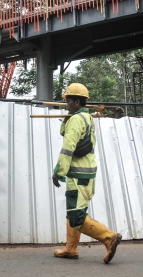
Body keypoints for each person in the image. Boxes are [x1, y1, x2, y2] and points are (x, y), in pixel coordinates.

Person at [51, 83, 122, 264]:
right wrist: (68, 116)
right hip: (86, 172)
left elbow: (68, 148)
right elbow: (63, 131)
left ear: (76, 101)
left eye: (68, 101)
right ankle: (71, 248)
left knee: (77, 216)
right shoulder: (86, 117)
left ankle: (108, 237)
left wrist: (58, 172)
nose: (66, 103)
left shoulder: (76, 120)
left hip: (78, 175)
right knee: (73, 212)